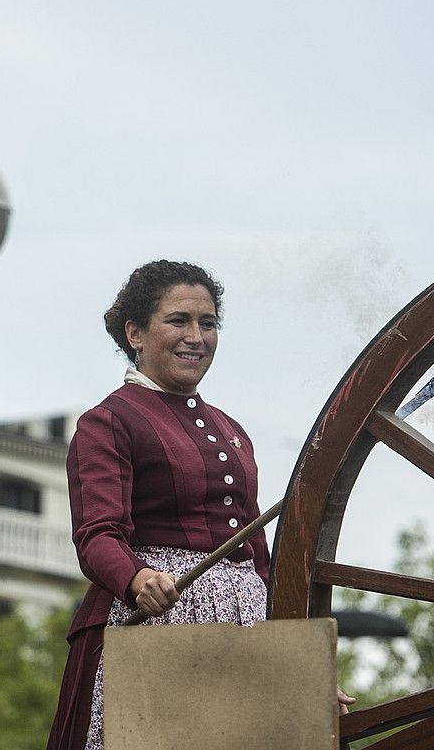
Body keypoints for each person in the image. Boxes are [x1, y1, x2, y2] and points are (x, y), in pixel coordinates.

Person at [45, 260, 272, 750]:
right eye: (178, 321)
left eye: (208, 323)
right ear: (136, 333)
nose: (197, 336)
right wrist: (137, 579)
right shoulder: (107, 421)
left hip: (246, 632)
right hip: (154, 621)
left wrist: (300, 660)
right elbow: (96, 535)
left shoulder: (233, 430)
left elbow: (260, 556)